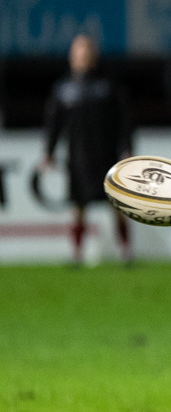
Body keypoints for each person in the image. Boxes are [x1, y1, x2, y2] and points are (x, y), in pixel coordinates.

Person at [41, 34, 134, 265]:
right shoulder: (64, 89)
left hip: (106, 156)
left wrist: (126, 149)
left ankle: (126, 250)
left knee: (117, 204)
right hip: (78, 157)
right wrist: (49, 152)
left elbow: (123, 122)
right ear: (72, 56)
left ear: (93, 56)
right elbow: (54, 124)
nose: (82, 56)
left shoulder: (107, 87)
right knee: (78, 207)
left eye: (86, 51)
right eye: (78, 52)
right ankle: (77, 253)